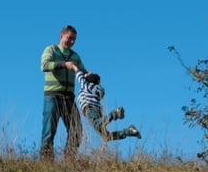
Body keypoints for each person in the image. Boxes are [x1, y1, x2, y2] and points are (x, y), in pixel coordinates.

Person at [40, 25, 88, 162]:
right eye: (69, 38)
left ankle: (69, 160)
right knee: (49, 132)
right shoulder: (51, 50)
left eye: (74, 39)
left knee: (76, 130)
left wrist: (89, 75)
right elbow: (44, 65)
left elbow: (82, 71)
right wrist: (63, 64)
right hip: (52, 96)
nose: (72, 41)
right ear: (61, 36)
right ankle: (46, 163)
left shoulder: (75, 56)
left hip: (69, 98)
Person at [71, 64, 142, 141]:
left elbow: (79, 76)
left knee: (96, 124)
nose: (86, 74)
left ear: (88, 79)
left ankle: (115, 113)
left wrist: (75, 67)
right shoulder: (95, 88)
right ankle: (129, 131)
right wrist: (88, 75)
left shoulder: (86, 86)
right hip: (96, 110)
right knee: (106, 137)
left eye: (87, 75)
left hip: (90, 109)